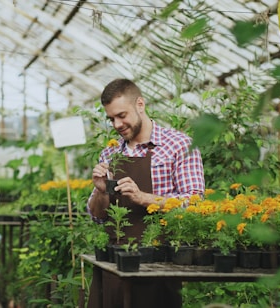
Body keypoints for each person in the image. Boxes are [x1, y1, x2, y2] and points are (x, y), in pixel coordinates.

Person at [86, 78, 205, 308]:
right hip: (113, 264)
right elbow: (97, 216)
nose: (117, 124)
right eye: (111, 119)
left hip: (158, 265)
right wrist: (101, 192)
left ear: (140, 104)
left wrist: (144, 198)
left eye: (122, 115)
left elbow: (195, 203)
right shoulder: (110, 153)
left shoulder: (178, 145)